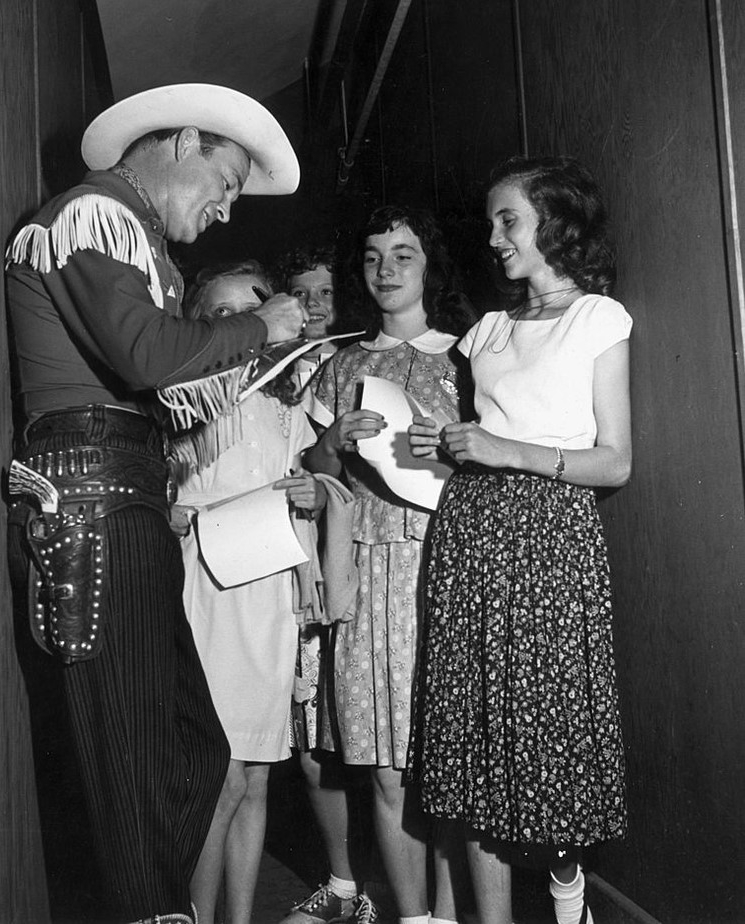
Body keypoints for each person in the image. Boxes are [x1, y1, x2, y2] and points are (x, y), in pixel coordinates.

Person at [4, 84, 308, 924]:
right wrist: (260, 329)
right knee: (134, 756)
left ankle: (153, 903)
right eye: (228, 183)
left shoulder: (134, 235)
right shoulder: (90, 214)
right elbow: (144, 355)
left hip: (125, 490)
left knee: (194, 747)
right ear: (182, 141)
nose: (226, 210)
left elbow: (158, 379)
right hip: (93, 495)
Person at [406, 155, 631, 924]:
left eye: (511, 220)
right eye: (494, 222)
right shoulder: (487, 332)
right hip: (470, 533)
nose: (497, 237)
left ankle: (568, 884)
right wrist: (435, 443)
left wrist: (509, 452)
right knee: (472, 738)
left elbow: (616, 459)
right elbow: (472, 440)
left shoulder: (597, 319)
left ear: (555, 225)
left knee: (551, 728)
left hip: (552, 537)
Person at [304, 206, 476, 924]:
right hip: (370, 571)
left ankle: (446, 909)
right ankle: (412, 917)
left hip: (445, 566)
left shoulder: (465, 355)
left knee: (446, 758)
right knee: (385, 764)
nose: (387, 271)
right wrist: (334, 443)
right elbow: (312, 479)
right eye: (374, 257)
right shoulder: (343, 363)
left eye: (403, 255)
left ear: (429, 265)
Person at [170, 260, 325, 924]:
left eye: (250, 311)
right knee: (220, 777)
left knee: (256, 775)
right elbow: (162, 491)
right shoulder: (183, 402)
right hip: (207, 591)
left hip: (268, 597)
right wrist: (168, 510)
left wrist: (308, 521)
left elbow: (302, 491)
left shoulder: (286, 402)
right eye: (222, 314)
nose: (239, 324)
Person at [275, 244, 375, 924]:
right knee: (311, 741)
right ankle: (343, 887)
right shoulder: (267, 373)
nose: (315, 307)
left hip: (362, 570)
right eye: (301, 293)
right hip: (295, 568)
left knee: (377, 740)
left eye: (327, 293)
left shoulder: (361, 364)